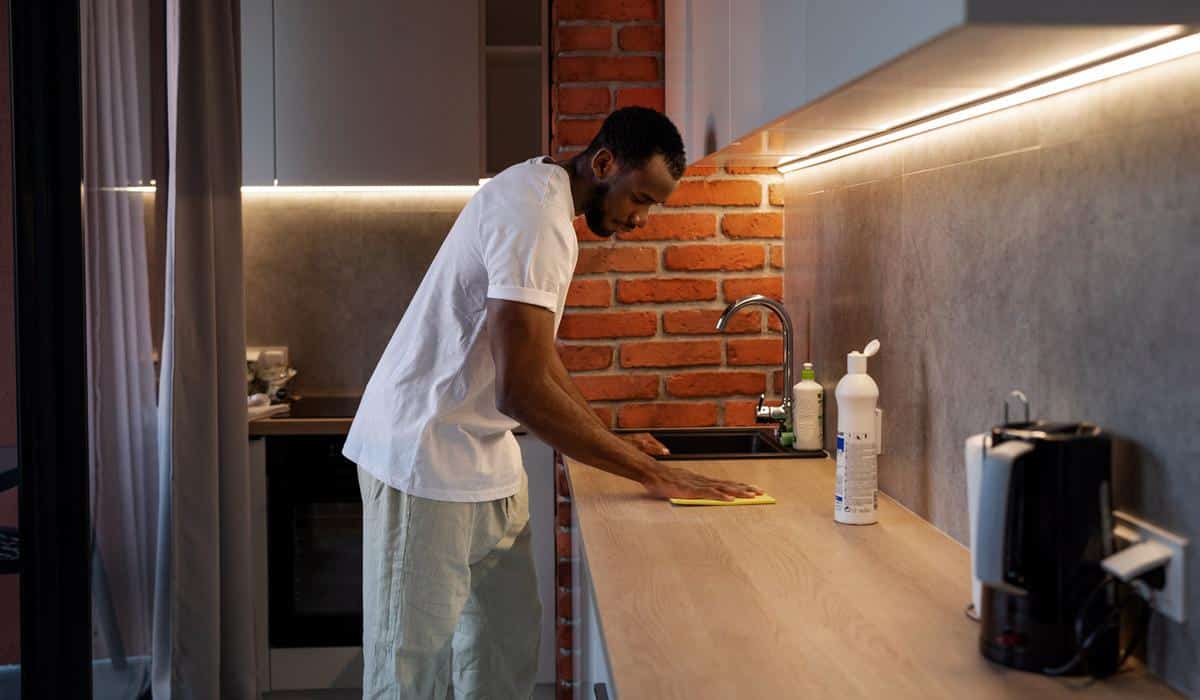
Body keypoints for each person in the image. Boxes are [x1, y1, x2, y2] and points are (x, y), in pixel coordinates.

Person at [343, 107, 763, 698]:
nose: (640, 219)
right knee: (409, 677)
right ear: (603, 163)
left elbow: (539, 358)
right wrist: (650, 472)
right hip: (424, 459)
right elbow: (521, 389)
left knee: (503, 656)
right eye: (638, 198)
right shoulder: (534, 216)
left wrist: (612, 440)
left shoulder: (542, 201)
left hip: (486, 463)